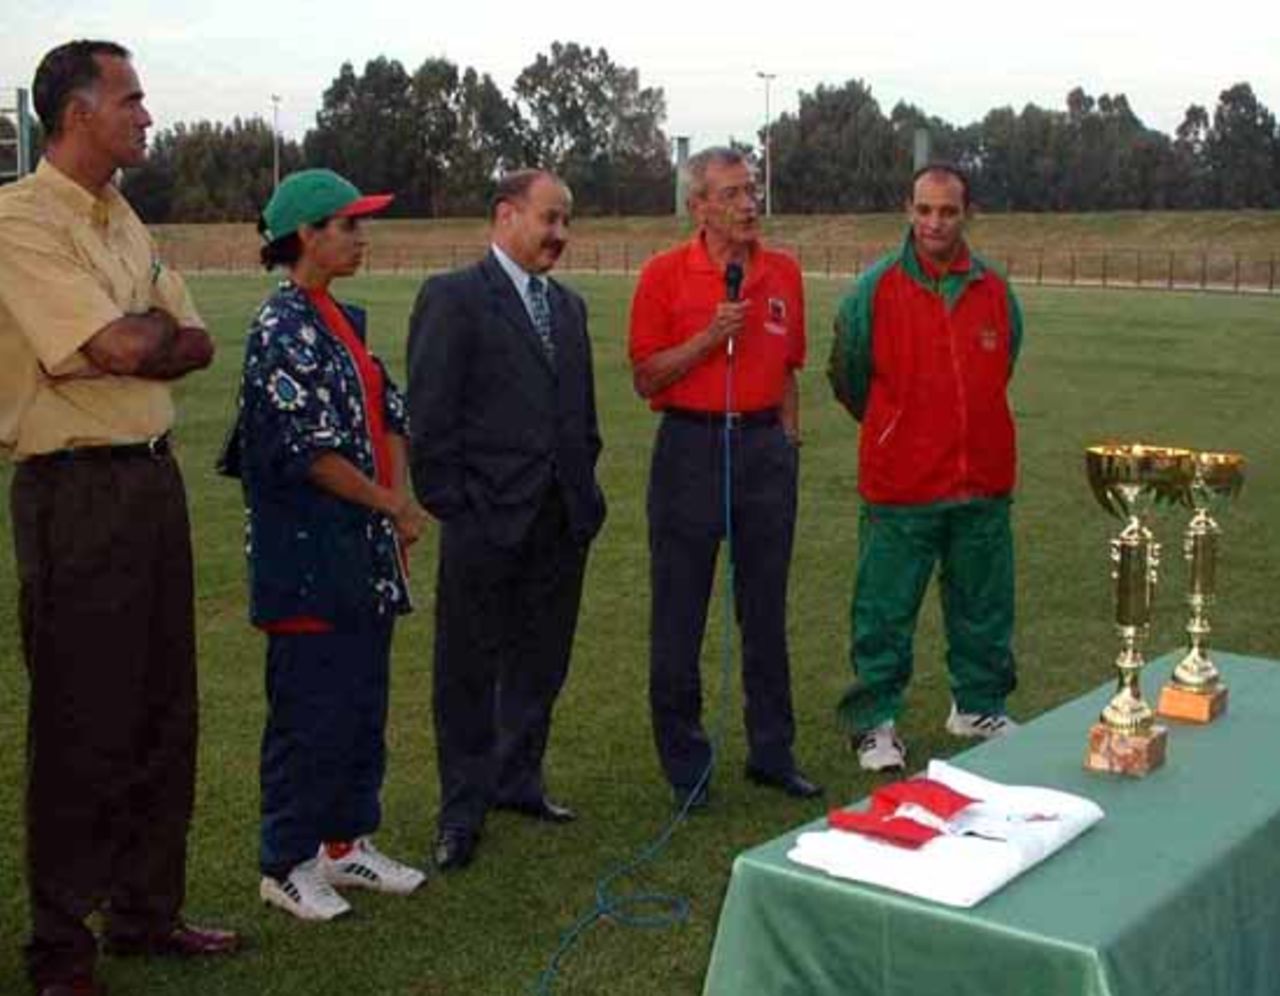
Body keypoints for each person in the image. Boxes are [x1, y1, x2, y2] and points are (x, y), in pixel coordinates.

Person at [0, 40, 239, 995]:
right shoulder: (20, 220)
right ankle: (62, 950)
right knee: (78, 721)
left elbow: (191, 340)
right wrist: (135, 335)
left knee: (162, 711)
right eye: (131, 99)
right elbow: (103, 343)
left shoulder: (124, 218)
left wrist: (143, 338)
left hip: (151, 482)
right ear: (76, 113)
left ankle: (146, 912)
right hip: (73, 494)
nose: (147, 114)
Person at [220, 168, 429, 920]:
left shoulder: (340, 318)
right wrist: (389, 503)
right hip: (307, 558)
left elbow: (391, 410)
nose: (361, 238)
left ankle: (345, 845)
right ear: (306, 234)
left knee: (359, 703)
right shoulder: (281, 328)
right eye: (347, 225)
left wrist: (392, 500)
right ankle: (286, 860)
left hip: (361, 558)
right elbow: (306, 449)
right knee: (307, 710)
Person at [407, 169, 606, 871]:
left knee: (539, 662)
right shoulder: (454, 298)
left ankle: (519, 781)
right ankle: (462, 809)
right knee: (466, 670)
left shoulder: (572, 308)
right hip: (485, 523)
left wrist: (584, 493)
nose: (561, 235)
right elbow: (429, 423)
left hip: (559, 523)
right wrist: (460, 507)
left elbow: (579, 417)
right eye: (549, 219)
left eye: (566, 222)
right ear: (506, 215)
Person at [628, 146, 821, 808]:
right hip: (689, 449)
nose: (749, 204)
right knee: (679, 615)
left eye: (753, 190)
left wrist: (788, 440)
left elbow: (790, 365)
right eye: (734, 193)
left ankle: (773, 752)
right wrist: (710, 338)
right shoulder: (661, 275)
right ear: (699, 206)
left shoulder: (785, 273)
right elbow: (646, 375)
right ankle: (687, 766)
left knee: (764, 613)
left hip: (765, 450)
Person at [828, 162, 1024, 772]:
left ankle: (978, 704)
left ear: (968, 214)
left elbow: (1003, 360)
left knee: (984, 605)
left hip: (982, 483)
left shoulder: (994, 288)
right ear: (908, 211)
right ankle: (875, 722)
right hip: (901, 486)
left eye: (948, 211)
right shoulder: (874, 289)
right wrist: (898, 430)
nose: (935, 222)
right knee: (884, 610)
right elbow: (849, 376)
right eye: (924, 210)